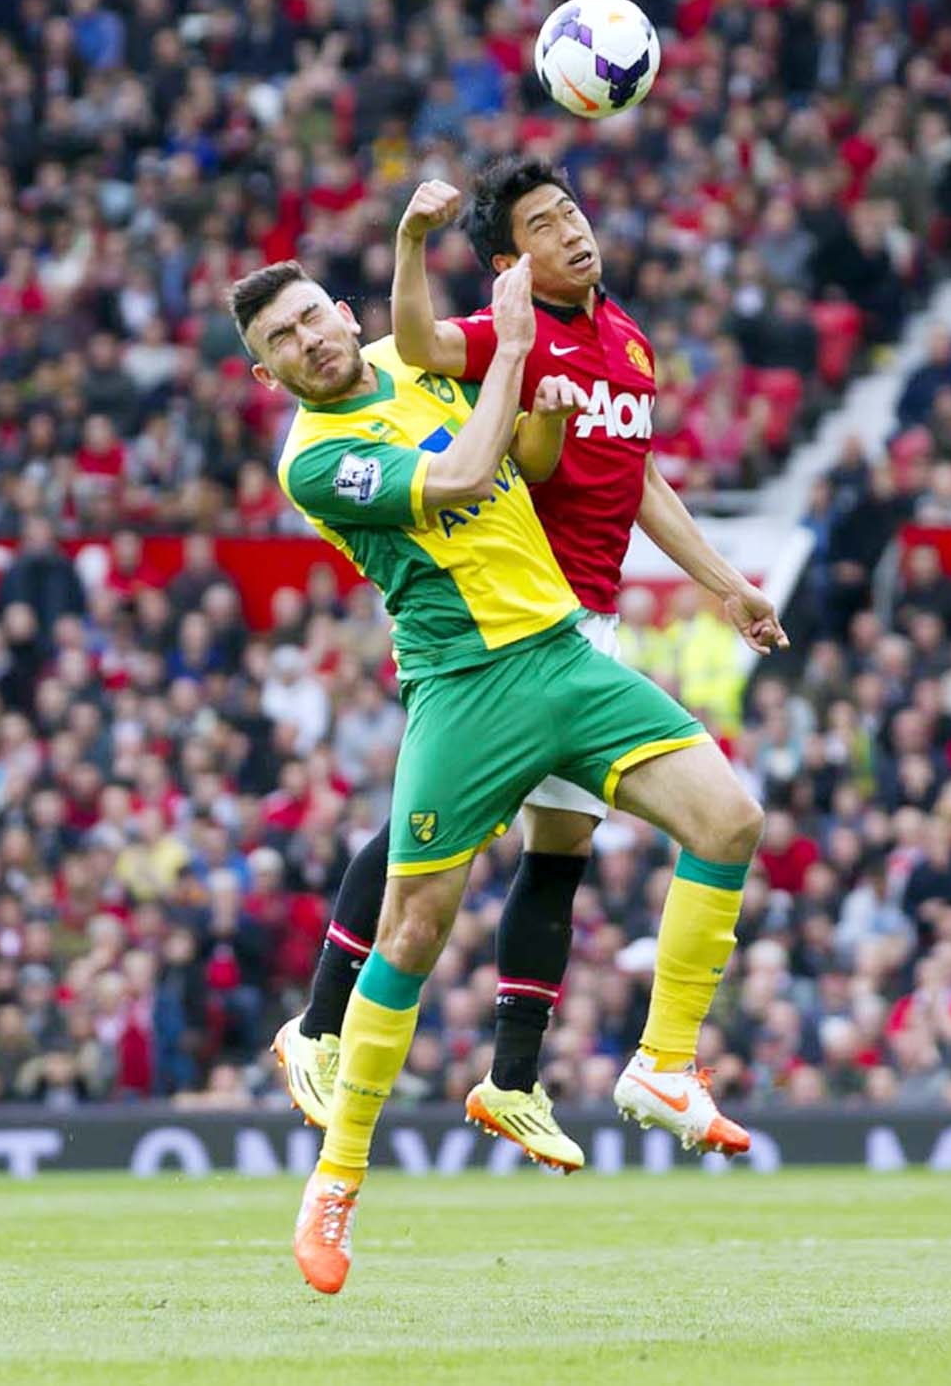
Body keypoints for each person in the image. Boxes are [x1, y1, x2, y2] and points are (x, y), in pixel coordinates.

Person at [229, 253, 769, 1295]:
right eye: (281, 344)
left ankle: (661, 1063)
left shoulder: (417, 359)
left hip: (567, 656)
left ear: (344, 313)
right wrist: (515, 350)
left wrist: (549, 407)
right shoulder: (314, 458)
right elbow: (470, 477)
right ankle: (336, 1180)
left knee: (730, 822)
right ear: (267, 376)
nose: (308, 343)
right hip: (464, 688)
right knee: (415, 932)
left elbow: (524, 455)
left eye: (310, 319)